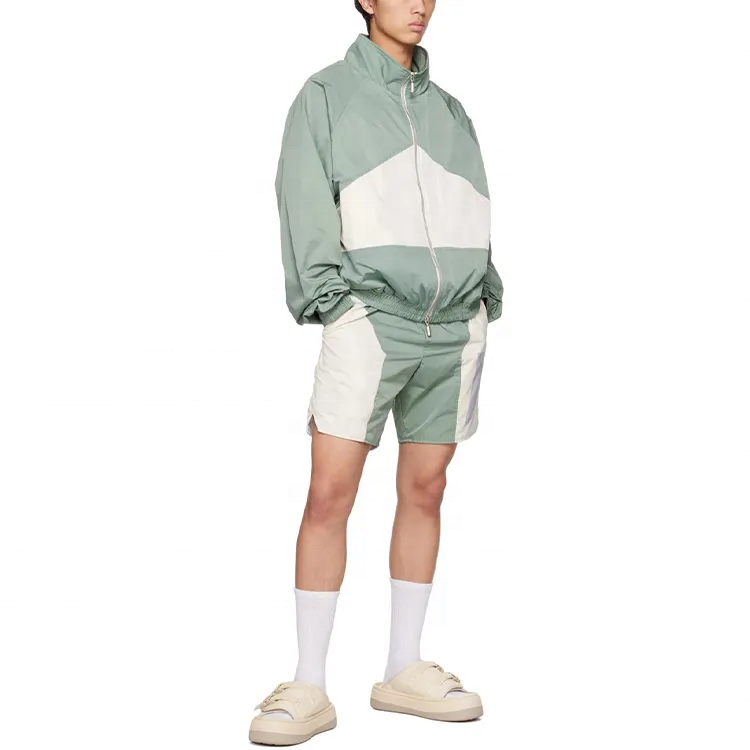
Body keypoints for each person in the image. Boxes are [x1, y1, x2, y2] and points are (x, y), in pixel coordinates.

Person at [250, 1, 503, 744]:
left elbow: (470, 206)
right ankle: (309, 682)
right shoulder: (326, 94)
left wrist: (484, 292)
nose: (420, 4)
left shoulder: (451, 109)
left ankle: (402, 667)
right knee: (330, 492)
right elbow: (302, 200)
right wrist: (332, 302)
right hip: (369, 318)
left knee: (427, 489)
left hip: (452, 328)